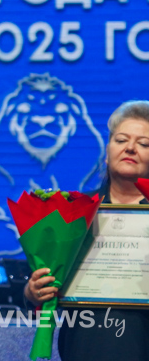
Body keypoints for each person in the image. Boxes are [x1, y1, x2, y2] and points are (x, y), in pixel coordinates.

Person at [24, 100, 149, 360]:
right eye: (121, 140)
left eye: (144, 144)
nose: (130, 148)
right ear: (107, 152)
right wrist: (34, 291)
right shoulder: (72, 212)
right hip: (82, 344)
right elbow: (42, 288)